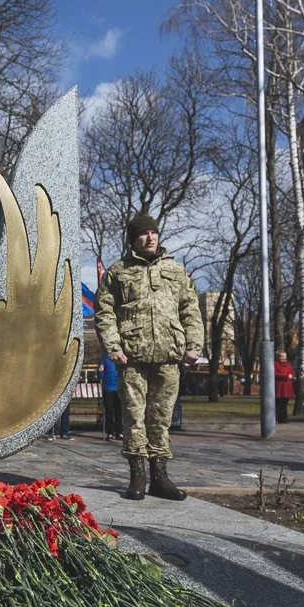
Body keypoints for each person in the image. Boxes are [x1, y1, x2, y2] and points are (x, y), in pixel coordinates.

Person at [94, 213, 203, 501]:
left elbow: (190, 309)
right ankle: (137, 477)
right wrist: (113, 346)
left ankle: (160, 477)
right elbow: (104, 312)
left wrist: (194, 345)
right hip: (132, 357)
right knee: (134, 418)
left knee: (161, 418)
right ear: (134, 239)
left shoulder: (176, 271)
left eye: (154, 232)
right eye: (144, 234)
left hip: (168, 356)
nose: (150, 237)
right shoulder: (118, 272)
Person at [100, 351, 122, 441]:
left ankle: (119, 432)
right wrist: (100, 372)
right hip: (108, 387)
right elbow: (101, 372)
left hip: (119, 387)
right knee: (109, 411)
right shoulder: (104, 357)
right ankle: (109, 432)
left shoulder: (120, 356)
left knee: (119, 411)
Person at [274, 350, 295, 424]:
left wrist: (291, 375)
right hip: (279, 386)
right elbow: (275, 374)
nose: (283, 358)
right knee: (278, 404)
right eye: (281, 356)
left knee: (285, 404)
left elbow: (292, 372)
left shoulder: (287, 364)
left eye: (284, 356)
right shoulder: (275, 364)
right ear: (277, 357)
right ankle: (275, 419)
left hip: (287, 386)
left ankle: (283, 419)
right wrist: (286, 375)